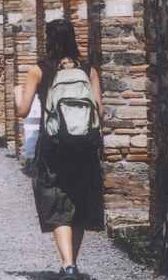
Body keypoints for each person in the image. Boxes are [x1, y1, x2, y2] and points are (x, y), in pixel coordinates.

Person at [15, 19, 103, 278]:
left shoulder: (39, 70)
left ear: (48, 40)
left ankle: (68, 265)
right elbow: (98, 109)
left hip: (53, 146)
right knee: (79, 199)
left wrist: (18, 93)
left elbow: (22, 111)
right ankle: (73, 262)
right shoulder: (89, 70)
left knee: (56, 201)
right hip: (85, 147)